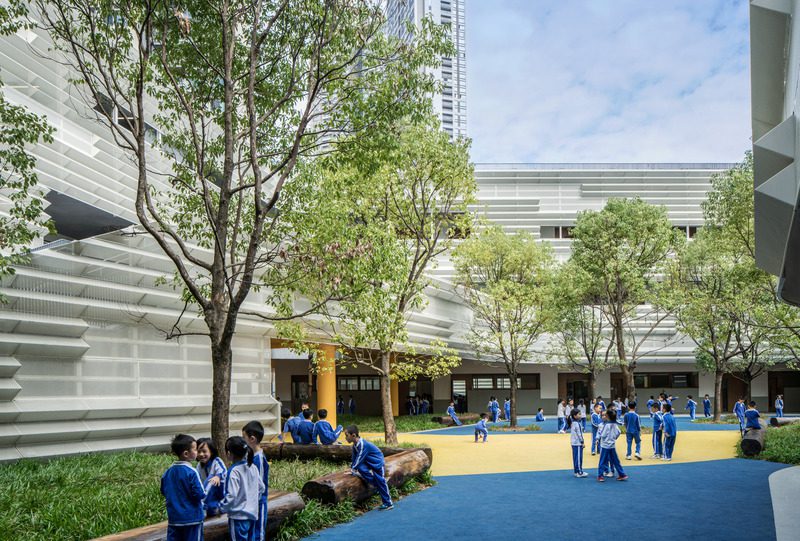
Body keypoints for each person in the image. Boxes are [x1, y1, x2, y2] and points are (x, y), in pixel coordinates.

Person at [161, 434, 205, 541]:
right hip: (192, 518)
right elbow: (200, 493)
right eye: (195, 449)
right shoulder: (192, 472)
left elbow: (163, 490)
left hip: (174, 519)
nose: (197, 452)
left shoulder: (168, 472)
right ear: (186, 453)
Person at [220, 436, 265, 541]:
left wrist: (222, 507)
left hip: (238, 518)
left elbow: (231, 495)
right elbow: (261, 488)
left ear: (229, 454)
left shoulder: (233, 471)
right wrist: (252, 502)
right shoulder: (252, 467)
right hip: (252, 515)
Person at [345, 425, 393, 510]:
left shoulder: (363, 444)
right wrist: (352, 469)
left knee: (381, 481)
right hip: (368, 461)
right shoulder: (355, 445)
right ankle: (376, 485)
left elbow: (359, 457)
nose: (346, 438)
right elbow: (354, 458)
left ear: (353, 435)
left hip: (377, 462)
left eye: (347, 435)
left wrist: (353, 469)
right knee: (361, 468)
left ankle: (388, 503)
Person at [242, 421, 269, 541]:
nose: (243, 441)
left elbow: (260, 485)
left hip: (259, 503)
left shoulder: (259, 459)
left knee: (259, 533)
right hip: (251, 503)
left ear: (252, 439)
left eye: (244, 438)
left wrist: (254, 501)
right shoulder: (250, 456)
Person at [196, 437, 227, 517]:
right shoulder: (199, 466)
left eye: (204, 451)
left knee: (212, 479)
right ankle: (210, 507)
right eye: (199, 452)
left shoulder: (216, 461)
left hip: (220, 493)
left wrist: (218, 476)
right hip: (209, 496)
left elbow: (223, 471)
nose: (201, 454)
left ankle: (202, 505)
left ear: (211, 452)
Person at [595, 409, 627, 482]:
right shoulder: (615, 424)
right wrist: (614, 438)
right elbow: (618, 432)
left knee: (602, 460)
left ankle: (600, 476)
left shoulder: (606, 425)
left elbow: (603, 435)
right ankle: (622, 474)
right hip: (612, 445)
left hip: (605, 445)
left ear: (607, 416)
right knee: (616, 460)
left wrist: (600, 438)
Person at [570, 409, 588, 478]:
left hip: (574, 443)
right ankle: (579, 472)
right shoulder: (577, 424)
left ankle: (576, 471)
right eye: (579, 414)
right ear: (575, 416)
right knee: (578, 458)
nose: (581, 415)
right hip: (577, 443)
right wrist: (582, 442)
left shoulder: (573, 423)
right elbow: (579, 434)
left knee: (575, 458)